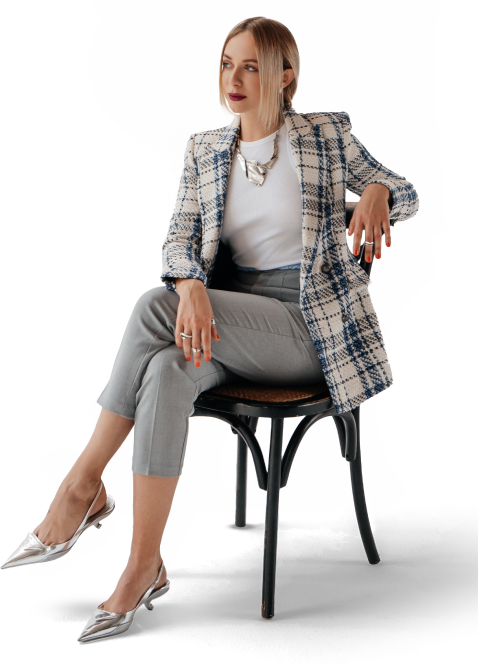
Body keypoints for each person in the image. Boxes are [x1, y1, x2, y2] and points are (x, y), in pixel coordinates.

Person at [1, 16, 419, 641]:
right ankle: (144, 566)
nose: (234, 78)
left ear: (286, 76)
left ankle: (80, 487)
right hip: (226, 318)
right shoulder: (204, 149)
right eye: (226, 63)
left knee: (153, 307)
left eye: (251, 66)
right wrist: (193, 288)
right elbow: (178, 240)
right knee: (168, 371)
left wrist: (380, 190)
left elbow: (409, 193)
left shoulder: (325, 134)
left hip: (307, 328)